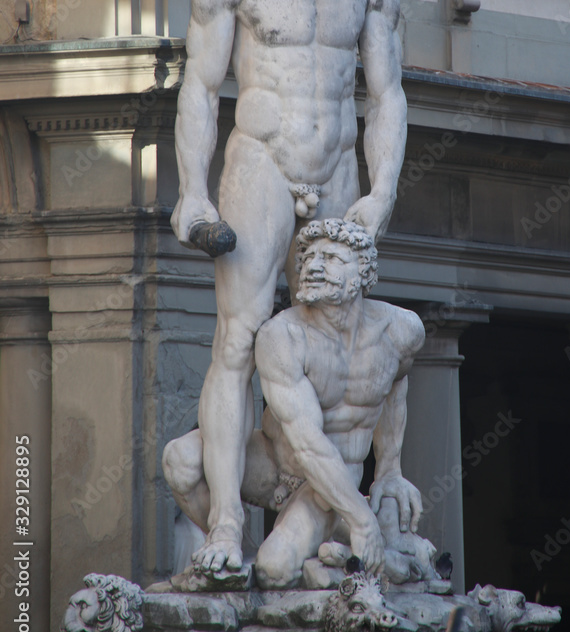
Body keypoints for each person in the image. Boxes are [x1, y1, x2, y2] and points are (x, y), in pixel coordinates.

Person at [170, 0, 407, 574]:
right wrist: (191, 196)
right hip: (261, 164)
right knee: (237, 341)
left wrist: (382, 193)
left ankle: (335, 513)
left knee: (342, 333)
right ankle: (225, 528)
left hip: (338, 164)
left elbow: (388, 96)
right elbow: (201, 92)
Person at [163, 219, 426, 587]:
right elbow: (306, 443)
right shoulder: (282, 335)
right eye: (309, 258)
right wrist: (363, 521)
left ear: (363, 272)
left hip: (334, 475)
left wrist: (390, 470)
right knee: (181, 459)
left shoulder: (402, 330)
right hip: (276, 458)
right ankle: (240, 562)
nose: (315, 266)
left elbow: (396, 381)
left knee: (277, 569)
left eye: (332, 257)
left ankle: (326, 550)